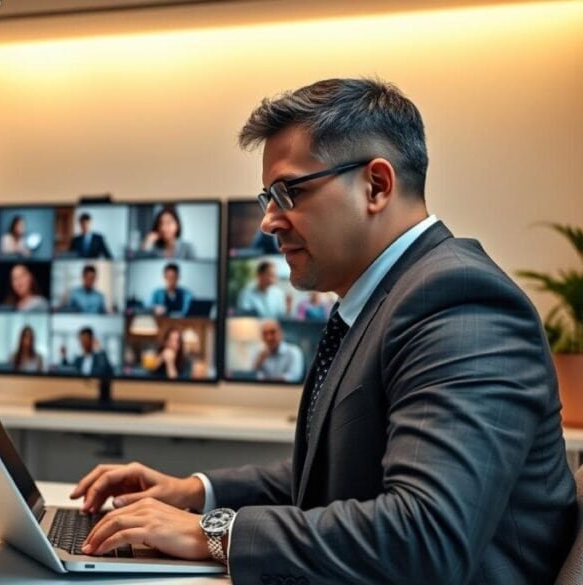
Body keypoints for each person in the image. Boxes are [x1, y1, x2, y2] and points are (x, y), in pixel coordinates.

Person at [69, 78, 576, 584]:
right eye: (268, 196)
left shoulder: (460, 302)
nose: (269, 220)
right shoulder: (385, 297)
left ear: (376, 185)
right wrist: (196, 493)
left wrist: (213, 532)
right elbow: (339, 471)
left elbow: (425, 538)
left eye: (289, 192)